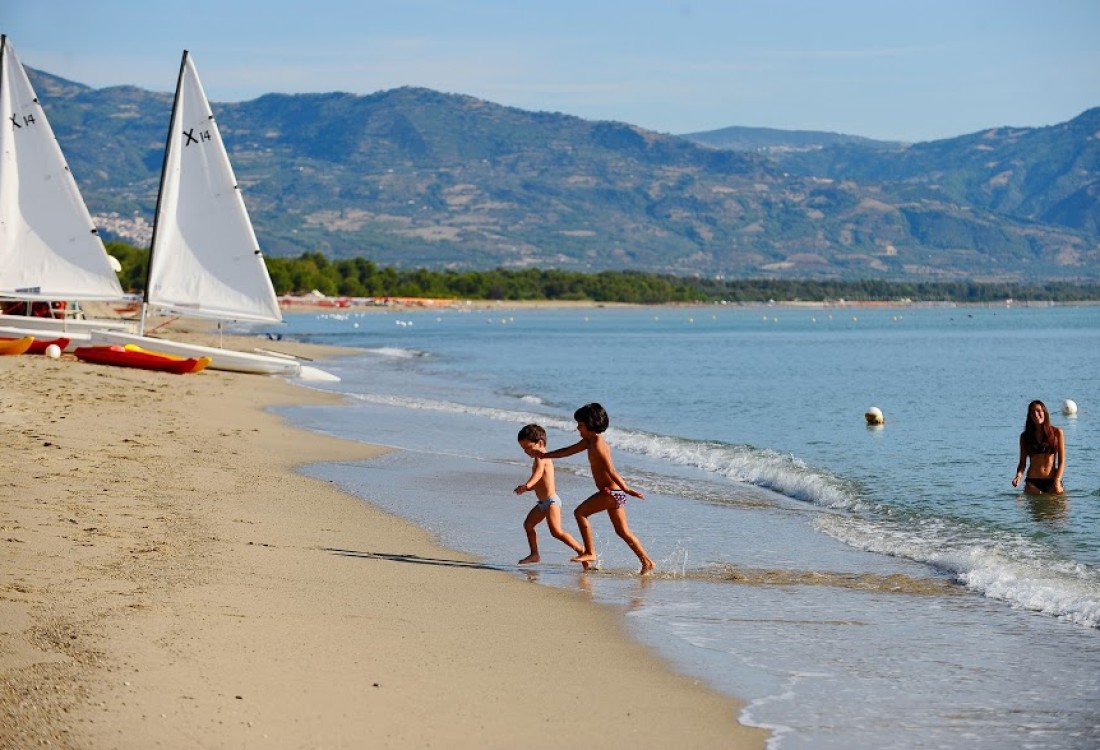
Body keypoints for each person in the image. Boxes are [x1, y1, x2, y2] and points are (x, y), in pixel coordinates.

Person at [536, 403, 655, 574]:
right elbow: (567, 451)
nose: (578, 427)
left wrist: (627, 489)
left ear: (591, 425)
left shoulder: (598, 443)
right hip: (614, 493)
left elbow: (611, 470)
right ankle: (647, 562)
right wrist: (545, 455)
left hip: (611, 492)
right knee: (622, 531)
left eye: (580, 424)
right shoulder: (588, 441)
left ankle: (590, 552)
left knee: (580, 513)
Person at [513, 424, 585, 565]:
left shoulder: (542, 458)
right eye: (524, 449)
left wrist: (527, 485)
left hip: (551, 502)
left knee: (557, 532)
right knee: (528, 524)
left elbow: (538, 474)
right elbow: (539, 482)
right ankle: (534, 554)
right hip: (543, 503)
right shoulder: (538, 458)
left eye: (528, 447)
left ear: (540, 443)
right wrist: (528, 488)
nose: (526, 452)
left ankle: (582, 551)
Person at [1012, 400, 1065, 495]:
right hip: (1033, 482)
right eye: (1032, 412)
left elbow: (1062, 461)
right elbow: (1022, 463)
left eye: (1039, 411)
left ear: (1044, 412)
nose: (1036, 414)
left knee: (1062, 504)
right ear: (1030, 416)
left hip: (1053, 480)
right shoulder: (1025, 437)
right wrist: (1018, 476)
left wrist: (1057, 481)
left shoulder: (1057, 433)